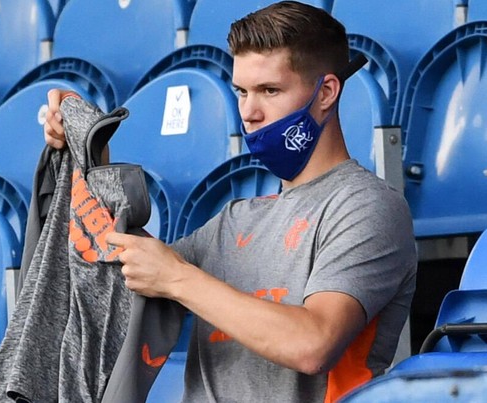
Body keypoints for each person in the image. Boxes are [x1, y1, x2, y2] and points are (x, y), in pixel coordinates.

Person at [43, 1, 417, 402]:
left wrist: (178, 278)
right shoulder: (233, 221)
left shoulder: (367, 207)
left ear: (326, 91)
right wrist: (87, 151)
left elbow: (313, 344)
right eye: (241, 91)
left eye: (269, 90)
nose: (249, 112)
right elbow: (119, 271)